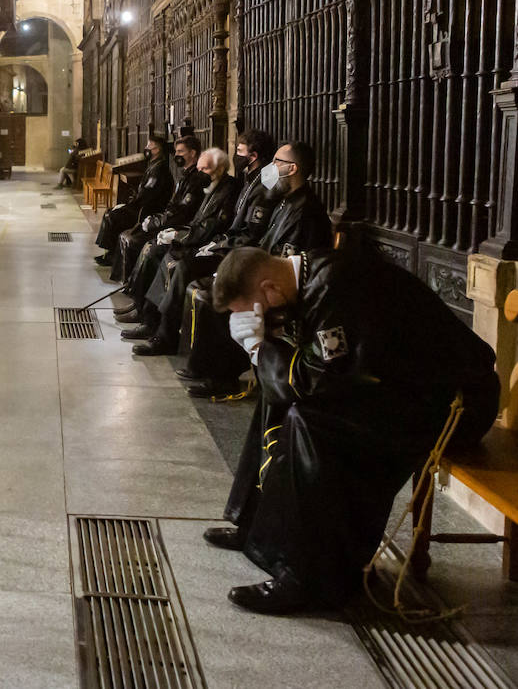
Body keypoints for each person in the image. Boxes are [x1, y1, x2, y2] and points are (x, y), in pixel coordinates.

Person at [205, 245, 499, 614]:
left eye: (253, 310)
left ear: (269, 291)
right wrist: (267, 353)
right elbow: (325, 370)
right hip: (404, 388)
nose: (260, 317)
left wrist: (260, 350)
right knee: (276, 395)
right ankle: (256, 527)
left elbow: (319, 378)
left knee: (309, 423)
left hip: (454, 403)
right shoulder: (310, 275)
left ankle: (309, 579)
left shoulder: (333, 286)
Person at [176, 141, 334, 398]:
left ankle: (221, 378)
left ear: (292, 168)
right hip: (268, 273)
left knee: (219, 302)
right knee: (211, 290)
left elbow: (290, 257)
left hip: (284, 286)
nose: (271, 168)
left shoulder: (307, 210)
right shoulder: (286, 202)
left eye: (277, 162)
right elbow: (265, 243)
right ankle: (204, 368)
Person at [128, 130, 275, 362]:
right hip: (220, 242)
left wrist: (216, 243)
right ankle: (151, 320)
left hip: (237, 253)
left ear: (254, 156)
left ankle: (165, 336)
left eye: (239, 151)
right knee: (168, 255)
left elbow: (239, 228)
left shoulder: (254, 185)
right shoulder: (242, 181)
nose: (236, 155)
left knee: (182, 266)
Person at [122, 147, 240, 355]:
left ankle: (165, 335)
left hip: (212, 247)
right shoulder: (210, 185)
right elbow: (194, 219)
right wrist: (174, 231)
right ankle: (148, 316)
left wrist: (181, 236)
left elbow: (213, 226)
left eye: (206, 168)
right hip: (196, 238)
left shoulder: (228, 188)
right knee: (159, 251)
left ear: (220, 168)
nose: (200, 172)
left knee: (176, 264)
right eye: (200, 167)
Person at [111, 135, 205, 284]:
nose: (176, 155)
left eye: (180, 151)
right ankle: (129, 283)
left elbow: (184, 211)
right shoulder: (185, 175)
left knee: (137, 241)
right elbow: (174, 204)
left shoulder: (196, 179)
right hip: (166, 217)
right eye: (176, 151)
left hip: (178, 225)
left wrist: (159, 221)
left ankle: (134, 285)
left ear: (192, 153)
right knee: (128, 234)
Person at [94, 135, 174, 267]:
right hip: (141, 205)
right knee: (111, 212)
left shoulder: (159, 169)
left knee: (113, 216)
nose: (146, 148)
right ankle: (109, 252)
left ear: (157, 149)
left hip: (147, 210)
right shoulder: (153, 165)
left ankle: (111, 255)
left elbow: (148, 194)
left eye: (149, 145)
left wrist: (128, 206)